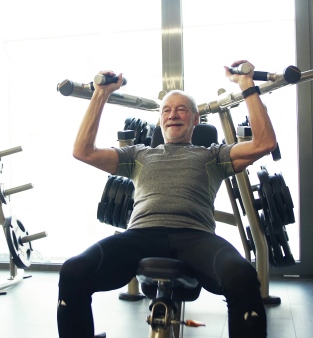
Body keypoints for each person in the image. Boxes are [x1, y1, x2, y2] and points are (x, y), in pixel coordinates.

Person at [57, 60, 276, 338]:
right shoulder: (138, 155)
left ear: (196, 119)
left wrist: (246, 85)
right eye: (167, 110)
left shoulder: (213, 155)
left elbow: (264, 143)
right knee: (73, 271)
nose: (173, 114)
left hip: (196, 237)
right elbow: (83, 151)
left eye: (182, 109)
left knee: (243, 276)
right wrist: (101, 94)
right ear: (160, 120)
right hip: (140, 235)